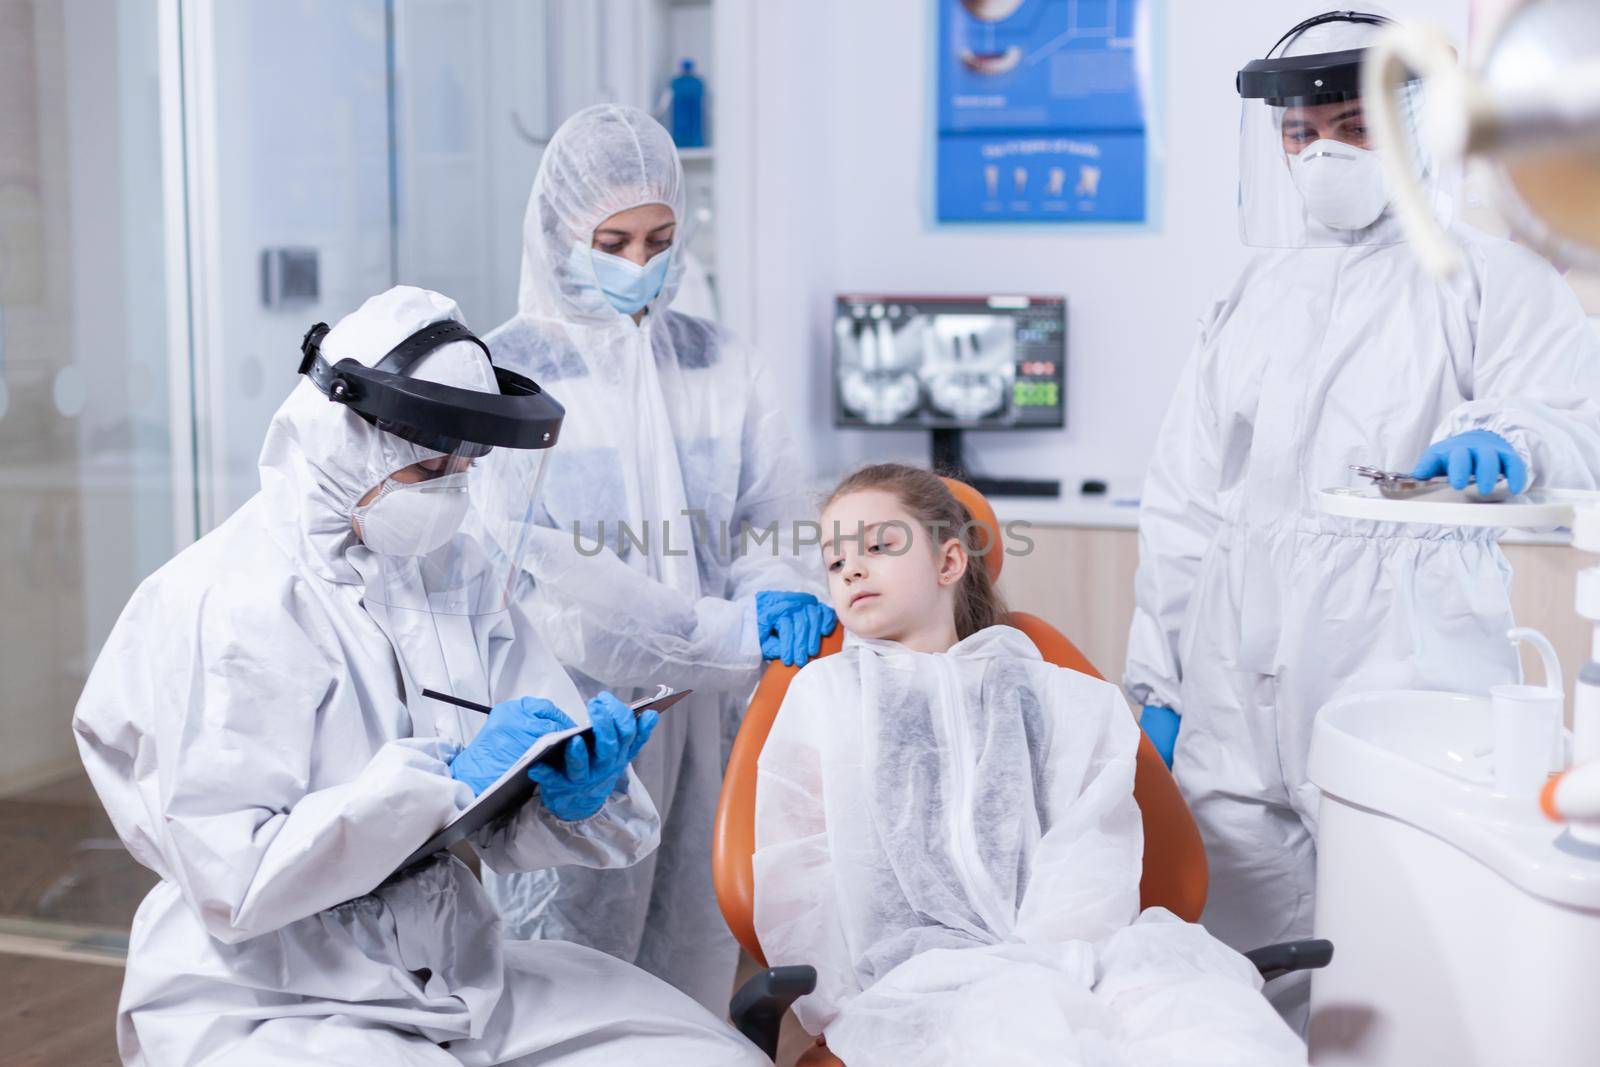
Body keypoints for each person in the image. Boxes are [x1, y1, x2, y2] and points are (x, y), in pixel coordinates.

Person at [72, 286, 766, 1066]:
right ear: (347, 430)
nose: (452, 484)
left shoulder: (452, 570)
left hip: (453, 970)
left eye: (467, 463)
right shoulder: (224, 599)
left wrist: (573, 790)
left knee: (711, 1054)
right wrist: (437, 786)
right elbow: (234, 879)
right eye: (432, 461)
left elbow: (515, 774)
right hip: (268, 992)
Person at [1125, 8, 1600, 1027]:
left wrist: (1512, 443)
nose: (1321, 154)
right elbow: (1182, 505)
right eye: (1300, 136)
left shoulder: (1487, 276)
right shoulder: (1251, 294)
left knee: (1405, 965)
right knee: (1231, 982)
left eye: (1351, 125)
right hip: (1228, 689)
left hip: (1403, 667)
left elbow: (1572, 414)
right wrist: (1155, 681)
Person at [752, 463, 1307, 1067]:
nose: (852, 568)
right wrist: (841, 1003)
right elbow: (803, 871)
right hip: (912, 986)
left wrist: (1049, 966)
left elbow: (1092, 852)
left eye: (881, 546)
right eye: (835, 563)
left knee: (1211, 1030)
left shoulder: (1057, 698)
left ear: (949, 562)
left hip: (1073, 959)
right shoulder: (827, 699)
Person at [482, 103, 830, 1012]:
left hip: (707, 727)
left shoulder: (721, 364)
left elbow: (772, 516)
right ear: (561, 233)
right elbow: (546, 581)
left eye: (660, 237)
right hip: (578, 723)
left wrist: (782, 588)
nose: (641, 262)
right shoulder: (508, 380)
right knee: (562, 966)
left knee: (692, 952)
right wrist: (724, 632)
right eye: (614, 239)